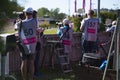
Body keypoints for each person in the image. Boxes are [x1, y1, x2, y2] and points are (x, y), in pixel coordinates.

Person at [16, 7, 39, 80]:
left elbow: (18, 33)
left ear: (25, 13)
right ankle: (31, 78)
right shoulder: (35, 21)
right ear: (32, 13)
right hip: (32, 44)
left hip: (23, 44)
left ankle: (24, 78)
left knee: (24, 61)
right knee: (31, 62)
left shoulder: (20, 23)